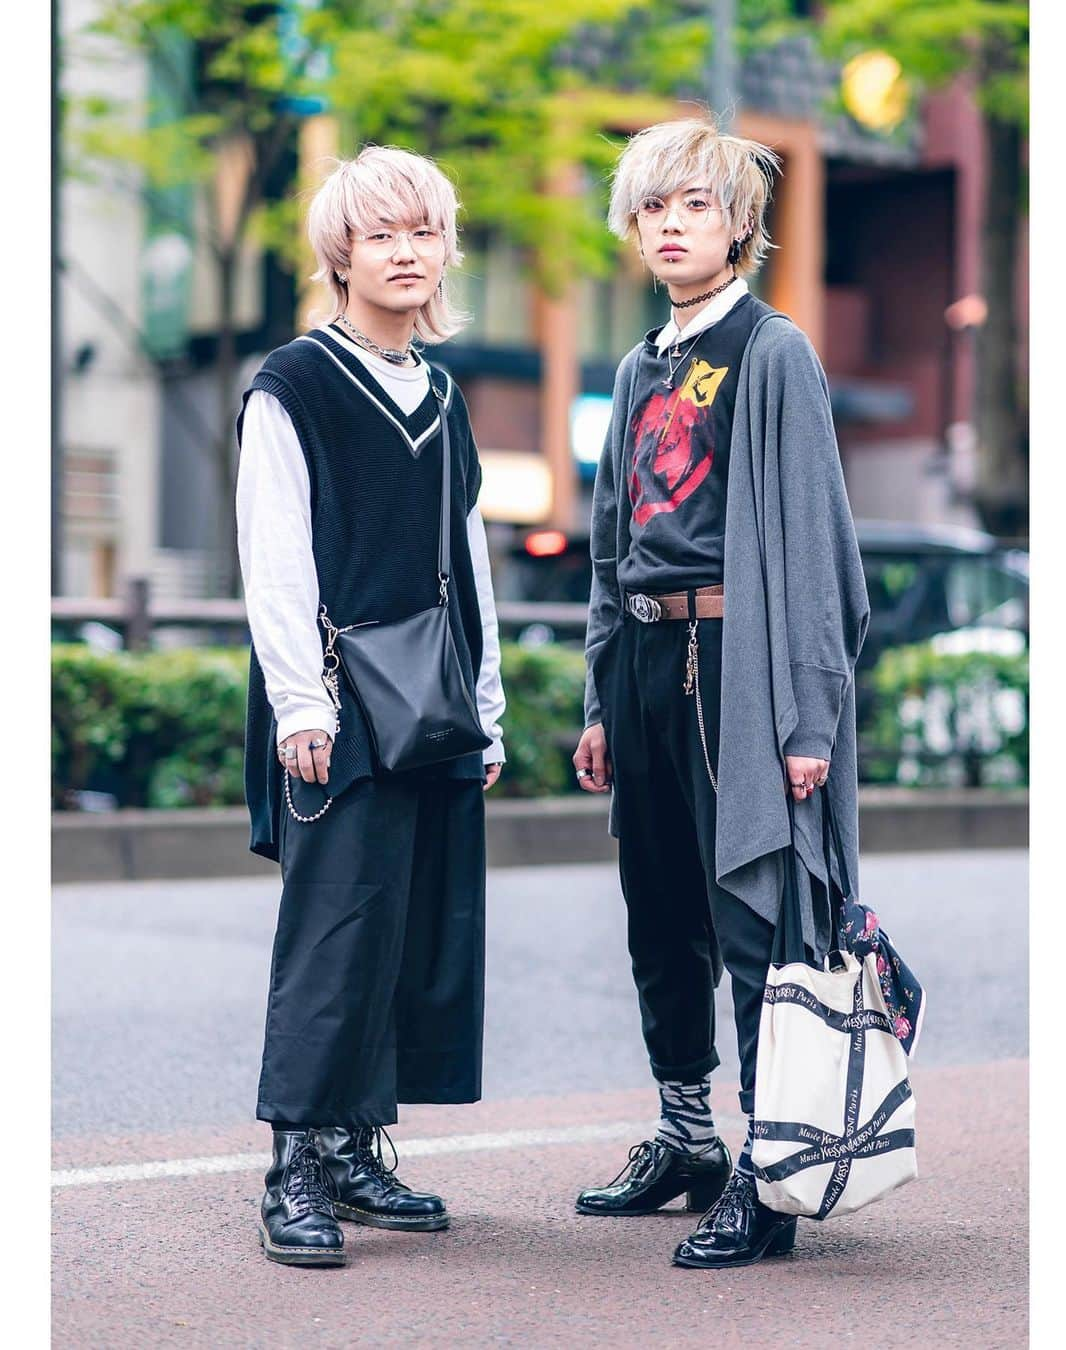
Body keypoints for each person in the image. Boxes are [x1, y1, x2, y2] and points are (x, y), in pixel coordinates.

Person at [572, 116, 869, 1270]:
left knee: (750, 918)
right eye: (651, 209)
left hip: (733, 667)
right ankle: (688, 1136)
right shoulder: (638, 364)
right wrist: (601, 695)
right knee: (660, 913)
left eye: (692, 206)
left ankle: (768, 1168)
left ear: (740, 226)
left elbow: (815, 547)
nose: (669, 227)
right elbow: (611, 545)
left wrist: (807, 718)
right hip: (646, 664)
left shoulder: (772, 349)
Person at [236, 145, 506, 1267]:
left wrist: (485, 704)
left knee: (406, 926)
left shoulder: (442, 393)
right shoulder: (292, 383)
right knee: (334, 928)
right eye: (382, 232)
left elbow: (469, 550)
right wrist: (300, 702)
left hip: (429, 702)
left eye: (424, 231)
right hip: (336, 702)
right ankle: (294, 1161)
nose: (406, 251)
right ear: (340, 253)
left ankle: (355, 1150)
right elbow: (275, 549)